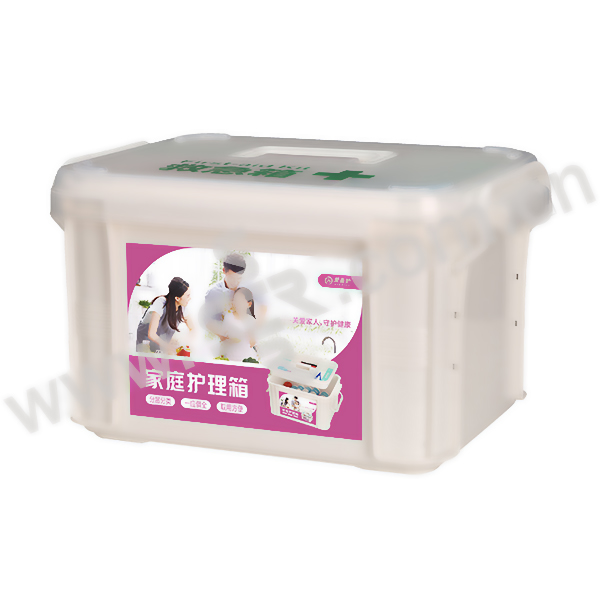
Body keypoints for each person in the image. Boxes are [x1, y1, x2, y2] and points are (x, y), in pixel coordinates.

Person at [203, 253, 266, 341]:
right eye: (232, 278)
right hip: (227, 340)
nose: (236, 282)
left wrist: (253, 332)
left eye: (239, 278)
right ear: (224, 271)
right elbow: (207, 321)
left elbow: (263, 306)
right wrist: (223, 337)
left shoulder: (250, 286)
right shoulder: (213, 293)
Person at [136, 277, 192, 354]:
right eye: (188, 296)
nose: (190, 298)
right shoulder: (160, 303)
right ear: (177, 298)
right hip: (145, 345)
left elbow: (192, 329)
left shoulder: (182, 307)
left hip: (161, 347)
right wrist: (168, 347)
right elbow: (151, 334)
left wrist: (186, 344)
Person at [219, 287, 259, 361]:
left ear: (249, 304)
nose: (237, 303)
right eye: (235, 300)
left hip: (248, 357)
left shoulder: (251, 320)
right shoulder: (229, 318)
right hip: (232, 357)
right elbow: (223, 337)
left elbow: (253, 341)